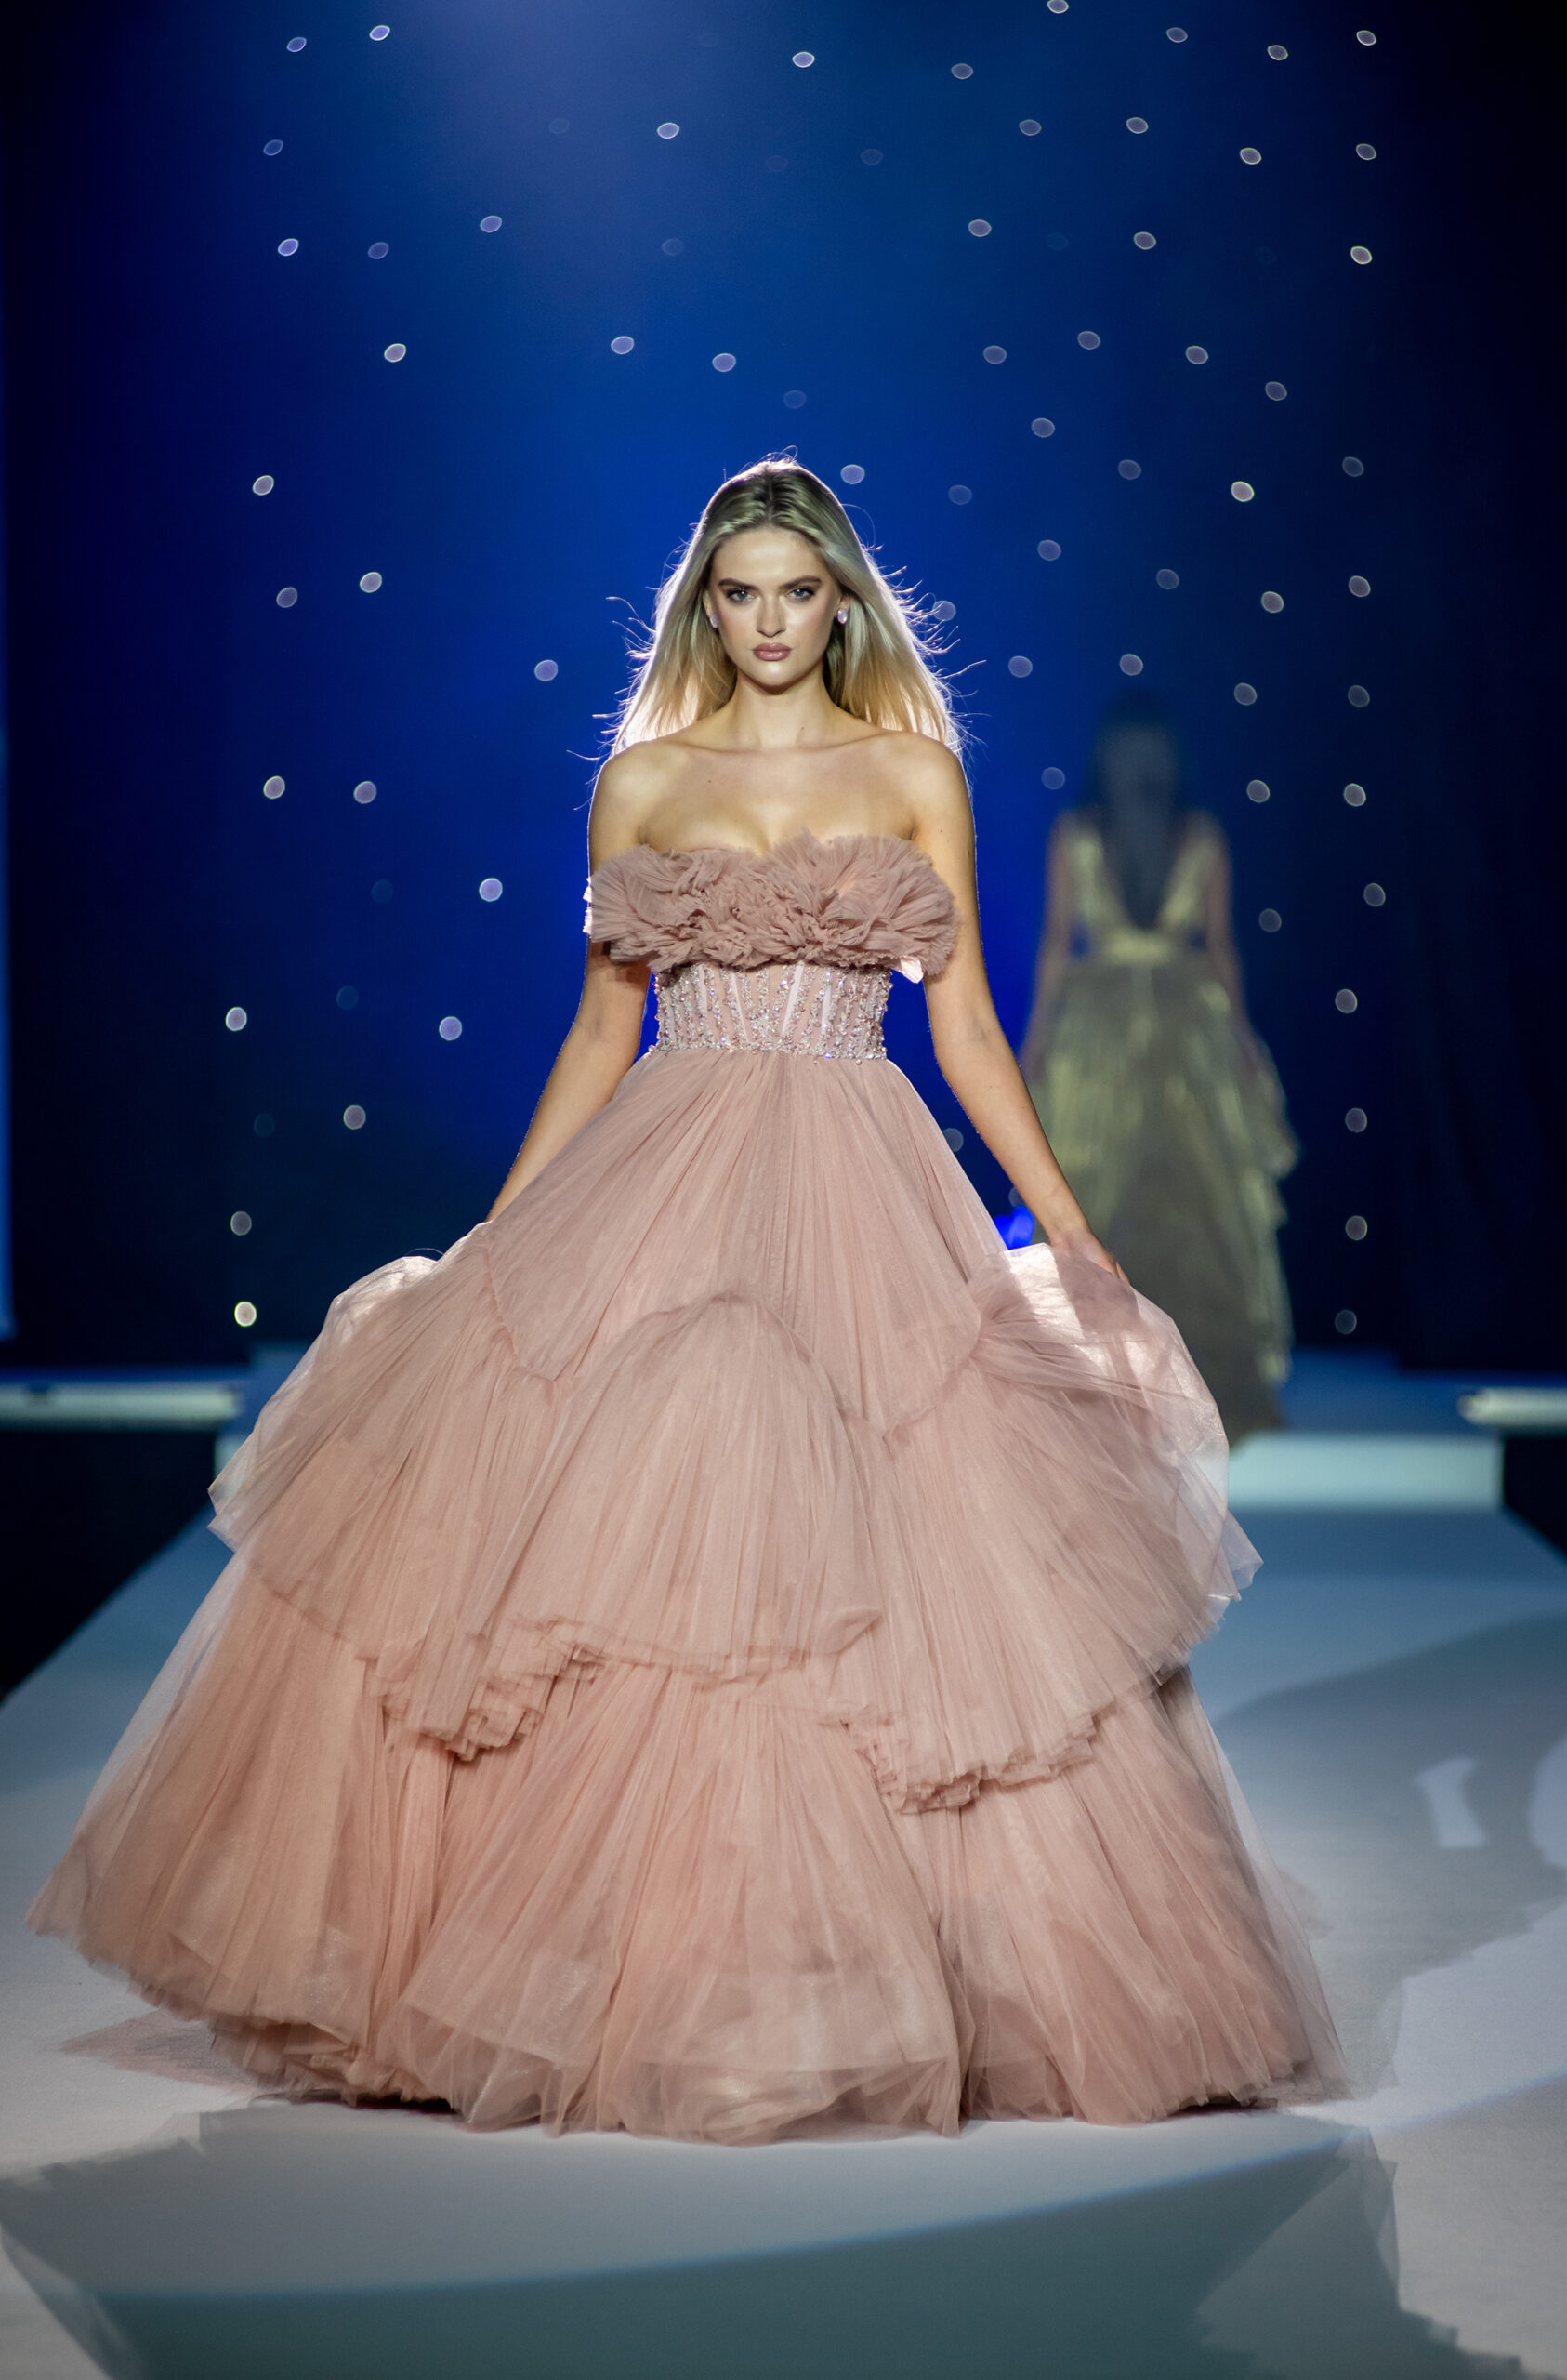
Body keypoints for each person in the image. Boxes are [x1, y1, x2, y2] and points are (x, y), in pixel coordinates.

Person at [32, 462, 1340, 2143]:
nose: (769, 622)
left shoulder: (914, 771)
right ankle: (591, 1973)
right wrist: (498, 1241)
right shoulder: (640, 781)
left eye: (797, 591)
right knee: (639, 1522)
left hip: (858, 1172)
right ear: (703, 606)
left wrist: (1071, 1230)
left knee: (894, 1540)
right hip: (668, 1167)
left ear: (840, 601)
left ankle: (893, 1976)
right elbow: (601, 1028)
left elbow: (963, 1029)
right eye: (741, 594)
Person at [1020, 692, 1297, 1445]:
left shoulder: (1083, 832)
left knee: (1126, 1183)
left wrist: (1036, 1039)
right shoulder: (1190, 833)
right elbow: (1219, 947)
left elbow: (1058, 943)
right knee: (1172, 1187)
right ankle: (1146, 1370)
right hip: (1175, 1022)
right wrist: (1237, 1035)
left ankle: (1116, 1374)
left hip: (1113, 1026)